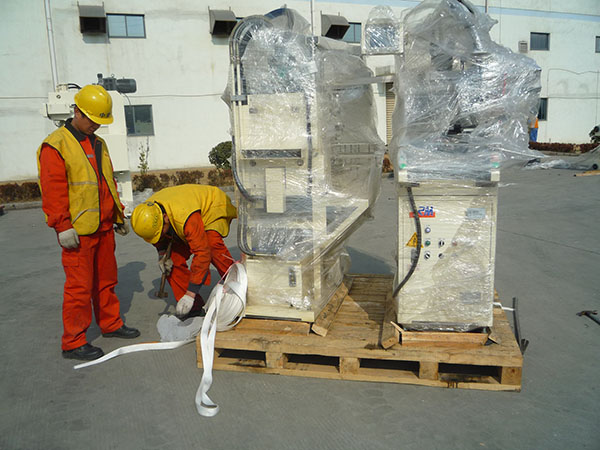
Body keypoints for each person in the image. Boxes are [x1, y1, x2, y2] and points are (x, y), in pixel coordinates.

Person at [37, 84, 140, 362]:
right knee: (79, 289)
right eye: (92, 119)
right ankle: (73, 342)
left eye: (99, 121)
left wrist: (118, 214)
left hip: (104, 227)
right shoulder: (56, 145)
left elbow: (107, 182)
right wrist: (62, 226)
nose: (95, 125)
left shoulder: (99, 143)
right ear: (77, 111)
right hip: (78, 232)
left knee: (106, 281)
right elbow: (53, 189)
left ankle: (111, 324)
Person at [131, 184, 237, 318]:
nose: (160, 237)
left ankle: (238, 286)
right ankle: (193, 308)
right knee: (171, 261)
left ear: (165, 218)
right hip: (185, 211)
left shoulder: (185, 218)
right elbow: (157, 237)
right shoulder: (149, 214)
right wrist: (162, 254)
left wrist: (190, 293)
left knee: (211, 246)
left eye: (161, 233)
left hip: (212, 205)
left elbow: (202, 253)